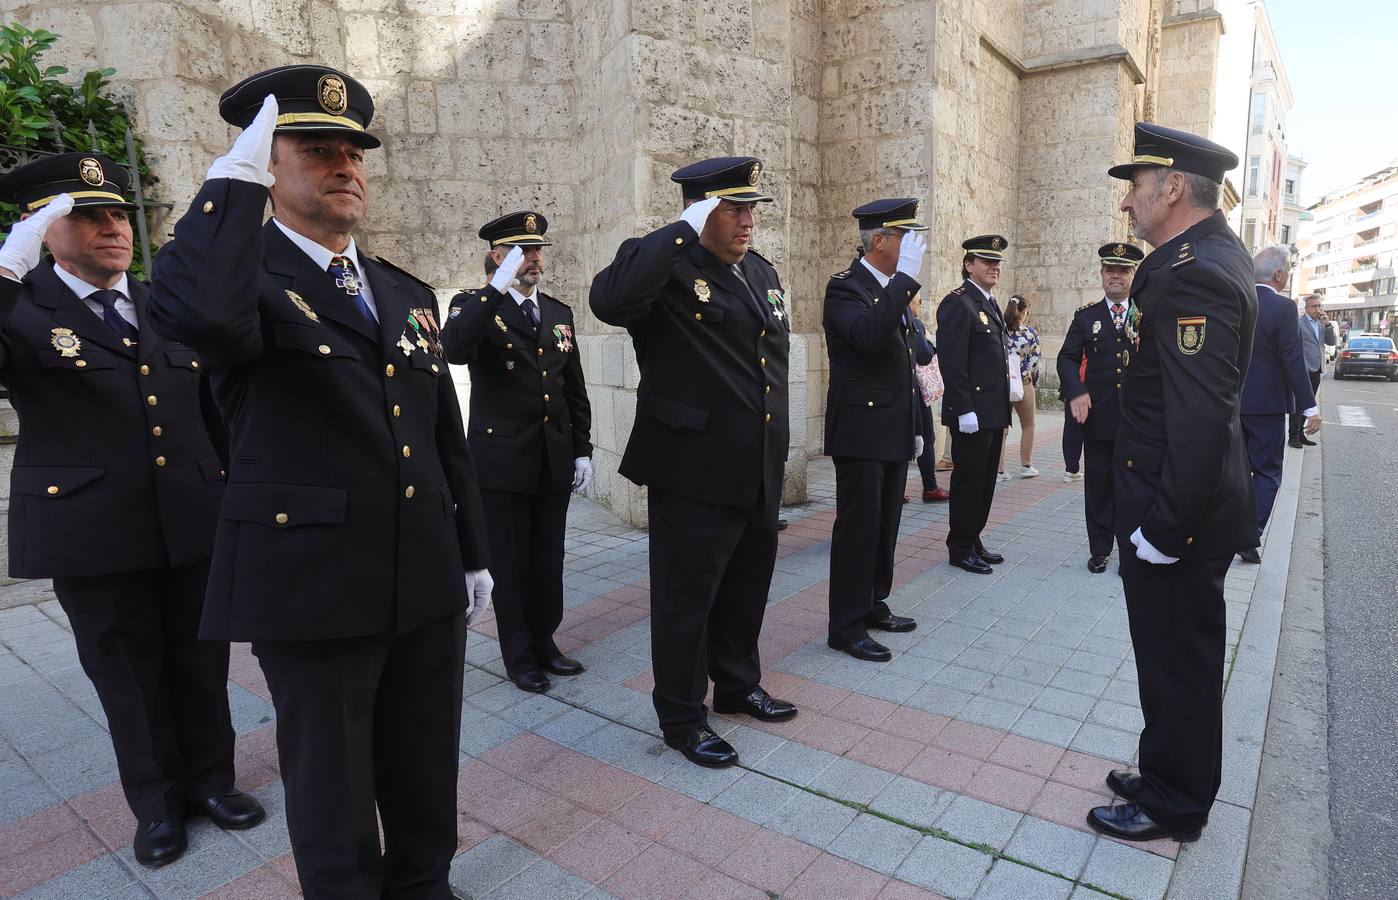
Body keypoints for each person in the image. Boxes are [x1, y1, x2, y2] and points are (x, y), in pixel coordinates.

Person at [145, 67, 493, 897]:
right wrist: (231, 183)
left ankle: (425, 885)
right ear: (266, 164)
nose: (345, 166)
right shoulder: (239, 281)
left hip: (421, 570)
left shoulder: (402, 291)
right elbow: (196, 316)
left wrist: (471, 552)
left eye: (355, 153)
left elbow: (442, 432)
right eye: (316, 150)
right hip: (313, 584)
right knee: (331, 780)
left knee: (422, 759)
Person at [0, 155, 265, 867]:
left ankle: (212, 782)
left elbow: (214, 415)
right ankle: (156, 805)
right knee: (126, 673)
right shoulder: (21, 309)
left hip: (191, 517)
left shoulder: (163, 303)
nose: (112, 227)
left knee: (201, 662)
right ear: (42, 229)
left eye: (117, 213)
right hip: (92, 530)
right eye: (86, 214)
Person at [589, 157, 797, 769]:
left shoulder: (759, 271)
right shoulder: (663, 266)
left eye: (752, 208)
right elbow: (610, 300)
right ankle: (682, 716)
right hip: (692, 469)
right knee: (686, 598)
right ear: (701, 210)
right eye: (733, 208)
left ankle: (736, 684)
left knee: (745, 585)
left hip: (755, 462)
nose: (748, 221)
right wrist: (682, 229)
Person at [1089, 122, 1258, 844]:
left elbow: (1198, 419)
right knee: (1164, 653)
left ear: (1174, 187)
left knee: (1179, 659)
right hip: (1167, 500)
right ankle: (1163, 770)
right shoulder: (1194, 256)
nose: (1127, 204)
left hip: (1174, 512)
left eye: (1135, 186)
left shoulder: (1195, 271)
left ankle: (1177, 802)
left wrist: (1164, 528)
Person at [441, 212, 592, 694]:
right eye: (522, 250)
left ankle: (545, 641)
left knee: (547, 558)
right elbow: (456, 349)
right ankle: (519, 654)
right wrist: (496, 288)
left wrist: (582, 449)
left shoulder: (558, 311)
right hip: (502, 462)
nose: (534, 258)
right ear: (496, 255)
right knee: (509, 561)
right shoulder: (474, 307)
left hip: (553, 456)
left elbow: (574, 387)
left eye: (537, 250)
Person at [822, 198, 929, 663]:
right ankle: (845, 625)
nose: (911, 246)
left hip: (892, 427)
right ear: (879, 240)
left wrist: (914, 425)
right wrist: (904, 280)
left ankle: (872, 603)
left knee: (886, 526)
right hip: (861, 431)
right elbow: (866, 336)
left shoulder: (891, 289)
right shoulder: (845, 288)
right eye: (903, 236)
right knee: (858, 529)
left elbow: (907, 358)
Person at [1056, 242, 1143, 573]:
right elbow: (1067, 357)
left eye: (1123, 270)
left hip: (1137, 422)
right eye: (1110, 269)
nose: (1116, 275)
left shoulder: (1146, 314)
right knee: (1099, 488)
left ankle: (1132, 549)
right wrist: (1076, 390)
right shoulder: (1087, 317)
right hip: (1100, 420)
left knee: (1133, 489)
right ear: (1102, 274)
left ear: (1134, 274)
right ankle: (1100, 549)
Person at [936, 234, 1012, 575]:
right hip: (972, 412)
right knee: (968, 482)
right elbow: (953, 362)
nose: (994, 267)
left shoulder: (989, 302)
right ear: (969, 265)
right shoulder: (959, 302)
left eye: (997, 262)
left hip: (993, 410)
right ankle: (960, 547)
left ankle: (973, 537)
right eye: (987, 261)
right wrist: (964, 408)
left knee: (985, 482)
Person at [1240, 246, 1320, 563]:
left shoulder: (1236, 302)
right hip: (1267, 407)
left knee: (1234, 472)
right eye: (1287, 270)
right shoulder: (1283, 308)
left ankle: (1221, 531)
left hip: (1230, 404)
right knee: (1268, 473)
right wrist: (1310, 407)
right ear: (1279, 275)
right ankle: (1249, 536)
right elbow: (1292, 360)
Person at [997, 294, 1040, 481]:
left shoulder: (999, 330)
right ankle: (1026, 465)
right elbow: (1034, 361)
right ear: (1025, 312)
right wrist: (1029, 380)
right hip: (1024, 383)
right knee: (1028, 425)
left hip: (1002, 384)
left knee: (1001, 428)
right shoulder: (1030, 333)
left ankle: (999, 470)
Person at [911, 293, 950, 502]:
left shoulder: (890, 320)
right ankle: (930, 487)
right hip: (916, 393)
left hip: (897, 393)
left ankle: (894, 490)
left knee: (899, 441)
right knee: (927, 437)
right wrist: (929, 343)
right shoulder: (914, 323)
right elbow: (925, 356)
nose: (920, 305)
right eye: (918, 301)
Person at [1290, 294, 1336, 448]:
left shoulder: (1323, 324)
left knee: (1308, 404)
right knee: (1297, 404)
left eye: (1319, 306)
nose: (1318, 309)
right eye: (1314, 306)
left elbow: (1332, 342)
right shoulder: (1298, 323)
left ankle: (1301, 433)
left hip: (1316, 368)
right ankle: (1293, 436)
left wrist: (1328, 325)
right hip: (1302, 369)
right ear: (1307, 308)